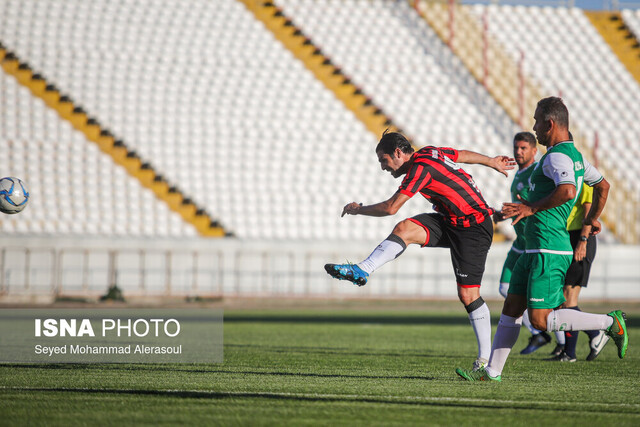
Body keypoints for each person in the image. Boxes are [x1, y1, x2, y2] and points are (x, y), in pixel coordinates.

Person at [456, 97, 628, 382]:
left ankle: (610, 323)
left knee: (539, 320)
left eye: (536, 121)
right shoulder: (575, 157)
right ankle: (491, 373)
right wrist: (590, 218)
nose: (534, 127)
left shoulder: (558, 156)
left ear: (550, 123)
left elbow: (568, 191)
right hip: (532, 247)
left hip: (549, 248)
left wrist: (531, 208)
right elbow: (603, 186)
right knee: (511, 308)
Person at [324, 130, 516, 371]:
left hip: (474, 227)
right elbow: (461, 155)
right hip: (451, 220)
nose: (384, 168)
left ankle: (485, 361)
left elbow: (391, 207)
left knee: (468, 295)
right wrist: (490, 161)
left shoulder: (421, 167)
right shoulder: (429, 152)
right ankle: (362, 270)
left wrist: (358, 209)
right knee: (405, 229)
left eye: (384, 161)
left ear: (397, 153)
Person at [493, 132, 553, 355]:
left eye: (523, 148)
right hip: (521, 242)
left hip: (535, 243)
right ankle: (539, 335)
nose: (518, 152)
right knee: (505, 289)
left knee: (546, 300)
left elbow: (538, 204)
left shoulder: (536, 173)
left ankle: (572, 342)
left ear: (534, 150)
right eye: (516, 148)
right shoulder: (520, 173)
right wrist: (503, 214)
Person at [547, 182, 610, 362]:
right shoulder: (566, 180)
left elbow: (589, 212)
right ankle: (594, 334)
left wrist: (582, 241)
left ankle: (571, 352)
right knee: (561, 300)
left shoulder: (584, 182)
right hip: (567, 237)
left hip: (580, 238)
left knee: (568, 298)